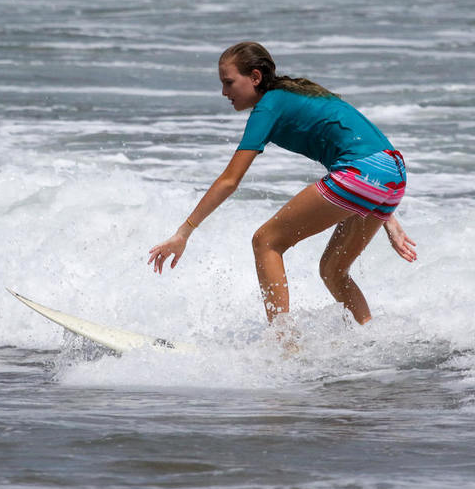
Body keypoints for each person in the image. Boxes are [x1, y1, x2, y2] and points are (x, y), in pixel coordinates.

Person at [148, 41, 416, 328]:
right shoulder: (296, 95)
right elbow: (362, 148)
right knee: (333, 270)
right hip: (391, 174)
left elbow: (229, 180)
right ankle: (371, 338)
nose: (224, 92)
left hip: (364, 174)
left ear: (254, 77)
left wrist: (184, 232)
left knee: (265, 241)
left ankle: (284, 346)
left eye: (228, 82)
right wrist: (386, 214)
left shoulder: (269, 106)